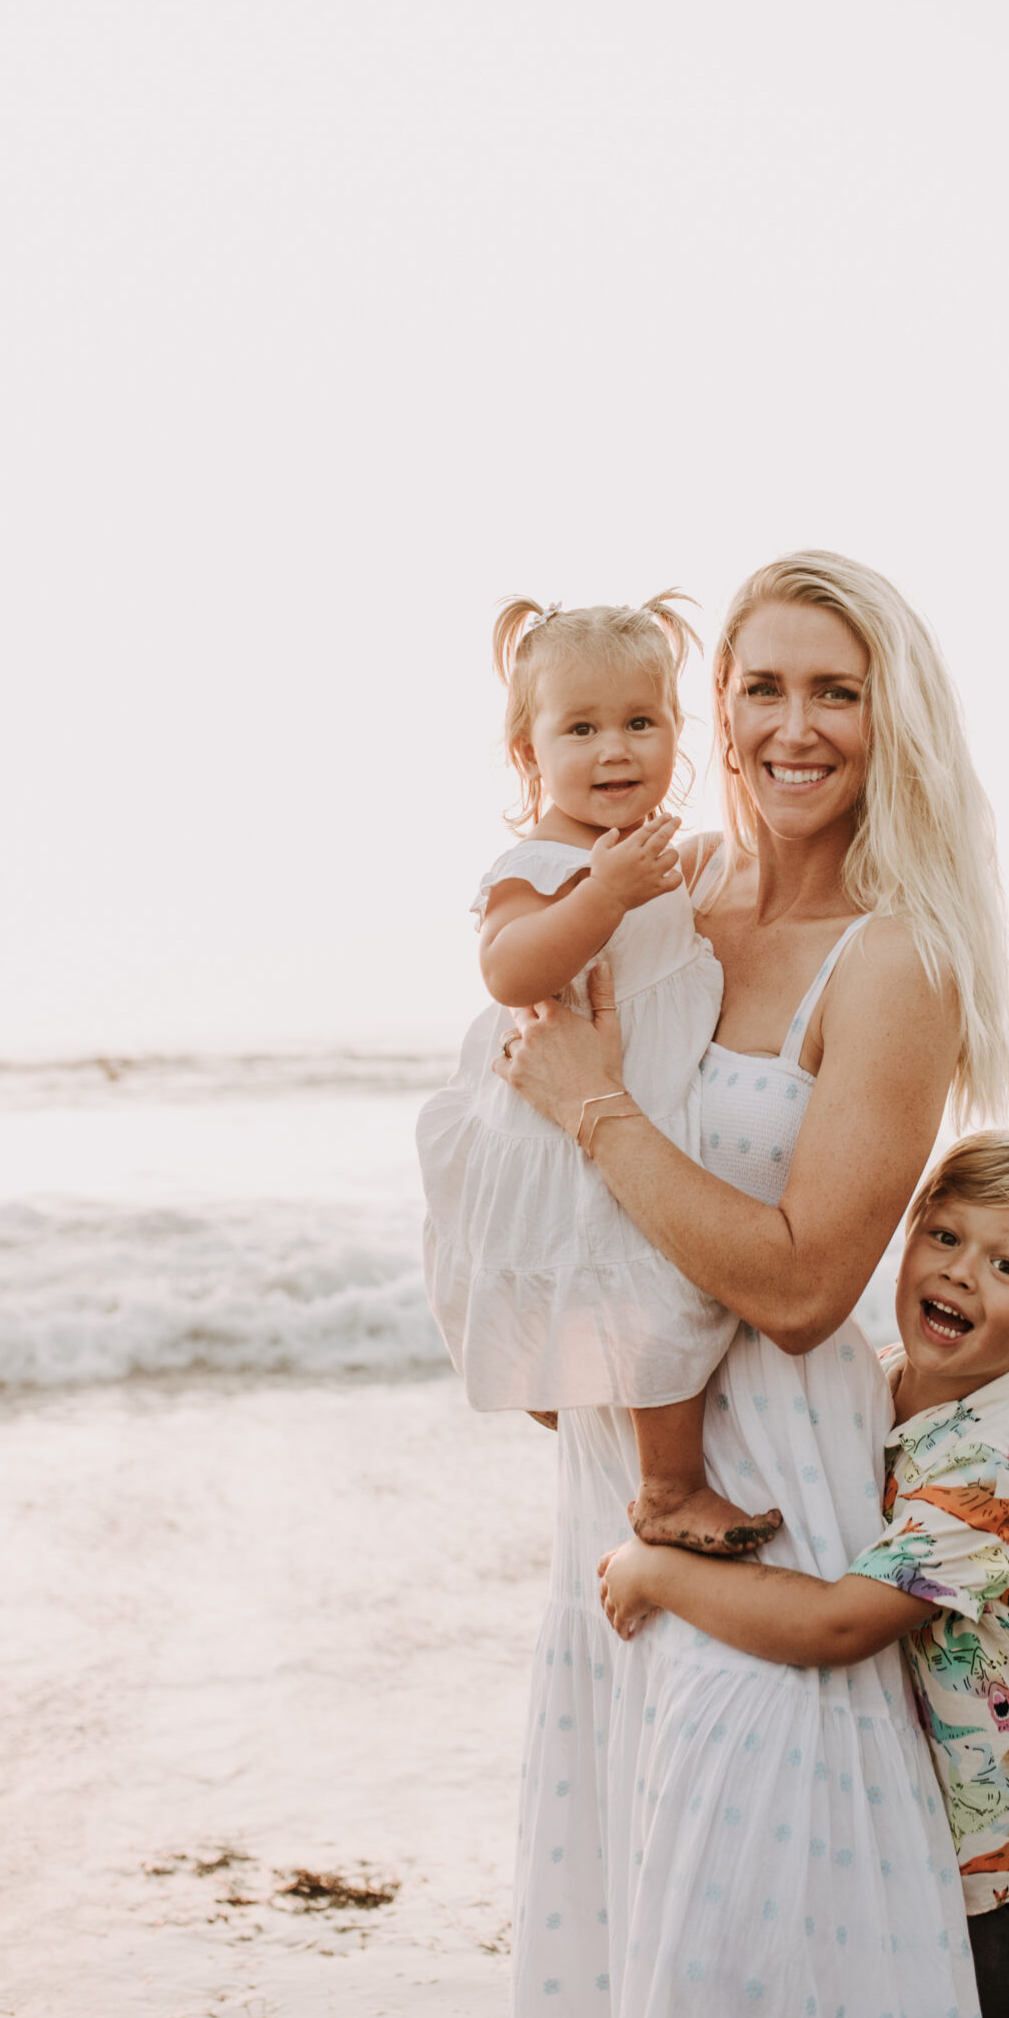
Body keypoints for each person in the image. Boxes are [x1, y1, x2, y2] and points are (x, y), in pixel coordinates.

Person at [492, 552, 1009, 2018]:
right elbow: (572, 1206)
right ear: (707, 710)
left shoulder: (894, 957)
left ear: (892, 724)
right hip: (620, 1497)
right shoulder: (658, 908)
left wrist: (591, 1103)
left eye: (835, 690)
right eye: (760, 685)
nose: (790, 725)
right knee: (812, 1954)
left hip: (780, 1508)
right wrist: (557, 1346)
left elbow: (805, 1286)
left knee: (765, 1973)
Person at [598, 1129, 1009, 2018]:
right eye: (944, 1234)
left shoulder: (996, 1463)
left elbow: (839, 1624)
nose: (958, 1270)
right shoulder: (885, 1386)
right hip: (983, 1831)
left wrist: (661, 1573)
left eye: (1006, 1263)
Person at [416, 592, 780, 1553]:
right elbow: (509, 968)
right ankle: (667, 1488)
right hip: (563, 1123)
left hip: (637, 1107)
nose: (615, 749)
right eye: (581, 728)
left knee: (637, 1291)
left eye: (640, 722)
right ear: (529, 753)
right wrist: (602, 898)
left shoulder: (651, 852)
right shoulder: (539, 861)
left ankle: (584, 1399)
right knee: (656, 1290)